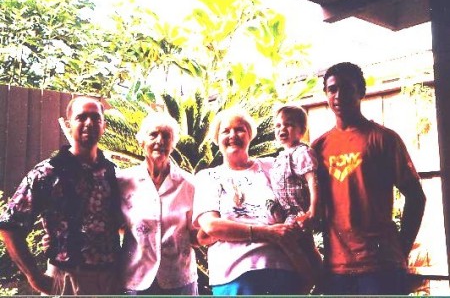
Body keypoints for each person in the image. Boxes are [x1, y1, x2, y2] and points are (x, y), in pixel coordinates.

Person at [311, 62, 426, 295]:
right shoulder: (319, 147)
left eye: (347, 88)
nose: (339, 95)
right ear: (326, 95)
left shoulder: (383, 139)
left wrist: (401, 249)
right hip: (336, 269)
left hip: (381, 267)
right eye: (332, 89)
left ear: (361, 92)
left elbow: (416, 197)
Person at [0, 96, 122, 295]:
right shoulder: (48, 173)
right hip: (66, 279)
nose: (89, 123)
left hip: (109, 281)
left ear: (104, 126)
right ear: (68, 124)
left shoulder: (112, 173)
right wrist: (34, 277)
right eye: (81, 117)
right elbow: (9, 226)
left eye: (95, 118)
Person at [193, 107, 312, 296]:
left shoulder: (273, 166)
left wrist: (230, 229)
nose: (233, 135)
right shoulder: (208, 177)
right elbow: (212, 226)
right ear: (216, 139)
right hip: (233, 276)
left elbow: (297, 203)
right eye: (225, 131)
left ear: (250, 135)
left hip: (282, 269)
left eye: (240, 129)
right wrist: (269, 231)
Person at [117, 111, 199, 295]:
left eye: (166, 136)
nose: (160, 141)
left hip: (179, 280)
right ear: (141, 142)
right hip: (135, 278)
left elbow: (197, 234)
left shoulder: (189, 184)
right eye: (153, 134)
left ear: (173, 144)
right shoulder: (123, 181)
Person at [269, 104, 323, 286]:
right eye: (278, 126)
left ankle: (313, 281)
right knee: (305, 245)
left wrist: (313, 208)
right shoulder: (279, 158)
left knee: (287, 239)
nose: (282, 129)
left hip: (299, 211)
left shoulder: (302, 152)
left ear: (301, 130)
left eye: (289, 124)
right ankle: (317, 280)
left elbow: (312, 180)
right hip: (284, 211)